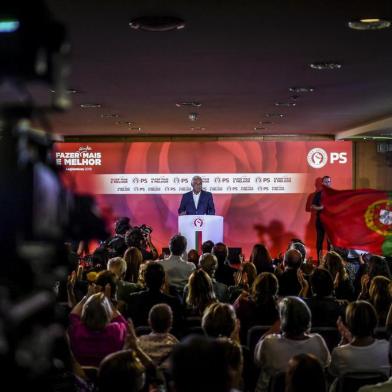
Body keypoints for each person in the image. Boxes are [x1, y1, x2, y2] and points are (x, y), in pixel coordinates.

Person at [310, 175, 332, 262]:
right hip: (320, 220)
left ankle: (330, 260)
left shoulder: (334, 194)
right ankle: (320, 260)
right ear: (322, 183)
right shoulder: (318, 195)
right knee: (319, 241)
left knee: (330, 242)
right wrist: (321, 208)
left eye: (329, 182)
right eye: (326, 182)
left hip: (330, 221)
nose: (328, 183)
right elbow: (312, 206)